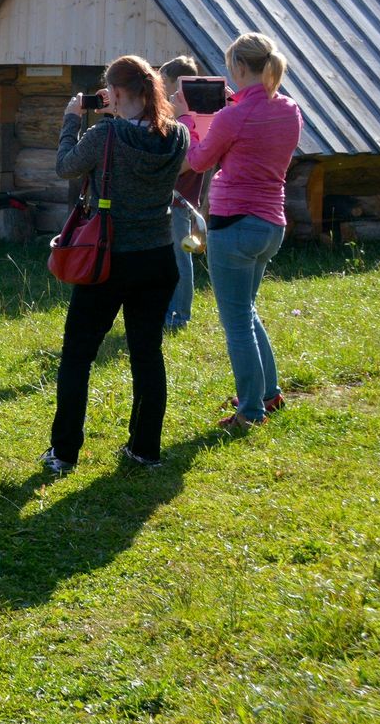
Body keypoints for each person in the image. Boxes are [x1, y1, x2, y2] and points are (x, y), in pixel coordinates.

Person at [42, 56, 187, 474]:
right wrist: (121, 110)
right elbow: (148, 134)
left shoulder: (104, 134)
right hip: (158, 257)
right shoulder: (177, 136)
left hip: (106, 258)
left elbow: (65, 166)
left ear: (117, 93)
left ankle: (64, 453)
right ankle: (145, 449)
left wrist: (72, 119)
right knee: (147, 353)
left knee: (77, 355)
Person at [175, 33, 303, 431]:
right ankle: (269, 393)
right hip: (271, 224)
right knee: (246, 311)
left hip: (234, 226)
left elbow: (197, 161)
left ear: (241, 67)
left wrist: (190, 119)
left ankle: (250, 412)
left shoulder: (232, 117)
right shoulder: (289, 109)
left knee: (236, 324)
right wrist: (234, 106)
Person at [158, 55, 207, 330]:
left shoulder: (187, 122)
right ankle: (170, 310)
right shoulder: (184, 119)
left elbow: (185, 162)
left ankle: (178, 316)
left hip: (179, 200)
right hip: (178, 200)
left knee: (180, 257)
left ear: (178, 85)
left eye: (164, 81)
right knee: (173, 256)